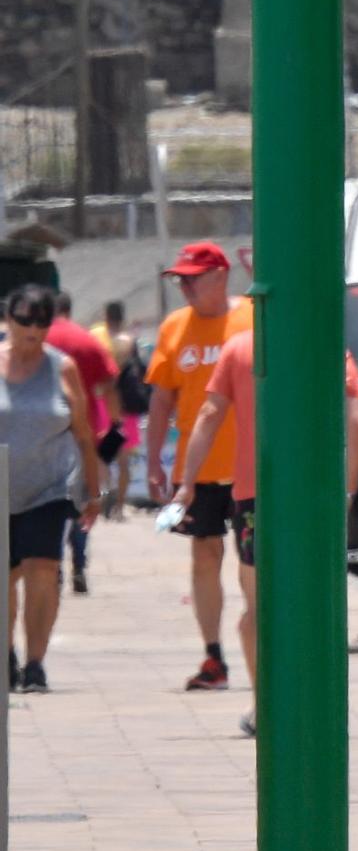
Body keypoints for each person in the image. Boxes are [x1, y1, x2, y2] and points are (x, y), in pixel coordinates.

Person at [175, 328, 358, 737]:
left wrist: (187, 482)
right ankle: (318, 703)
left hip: (254, 497)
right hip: (314, 501)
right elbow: (357, 422)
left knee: (258, 609)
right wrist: (347, 491)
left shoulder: (240, 347)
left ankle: (265, 703)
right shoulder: (327, 342)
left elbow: (209, 415)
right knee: (314, 602)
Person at [145, 241, 253, 691]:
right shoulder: (174, 328)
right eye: (180, 280)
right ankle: (213, 657)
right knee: (205, 557)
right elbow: (161, 399)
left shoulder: (251, 317)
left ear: (221, 275)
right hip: (200, 470)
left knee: (254, 567)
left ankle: (262, 650)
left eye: (193, 278)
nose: (185, 287)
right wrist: (153, 458)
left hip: (252, 466)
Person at [0, 286, 101, 692]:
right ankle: (6, 654)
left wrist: (93, 493)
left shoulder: (63, 368)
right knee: (5, 579)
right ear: (7, 319)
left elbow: (83, 434)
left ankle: (36, 663)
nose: (34, 329)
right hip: (1, 488)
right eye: (25, 319)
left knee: (43, 569)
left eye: (43, 321)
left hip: (48, 489)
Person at [43, 292, 116, 596]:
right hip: (83, 434)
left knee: (46, 504)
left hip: (44, 435)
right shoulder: (85, 340)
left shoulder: (39, 340)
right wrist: (114, 430)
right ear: (70, 310)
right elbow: (110, 384)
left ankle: (52, 565)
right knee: (82, 504)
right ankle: (79, 566)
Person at [92, 300, 145, 520]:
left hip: (103, 403)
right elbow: (139, 369)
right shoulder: (130, 341)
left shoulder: (98, 338)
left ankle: (105, 491)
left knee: (102, 455)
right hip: (126, 406)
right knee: (124, 460)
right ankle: (120, 507)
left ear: (106, 315)